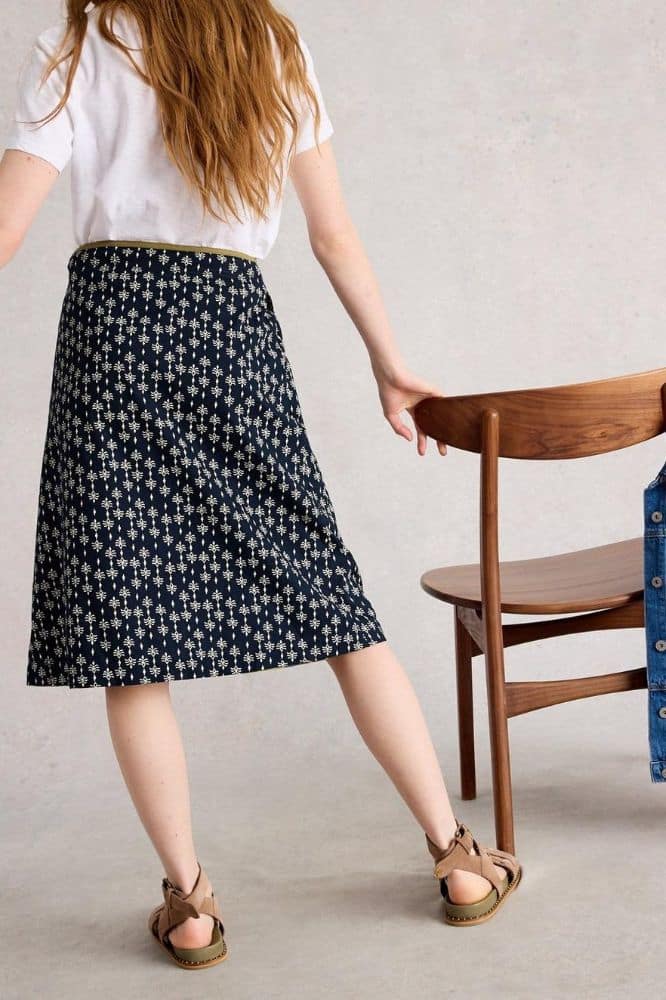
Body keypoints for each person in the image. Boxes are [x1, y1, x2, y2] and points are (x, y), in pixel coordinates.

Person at [1, 0, 522, 969]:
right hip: (231, 330)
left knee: (131, 631)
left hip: (113, 338)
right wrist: (390, 364)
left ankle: (191, 907)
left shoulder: (78, 43)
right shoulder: (272, 45)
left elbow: (5, 227)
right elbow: (333, 235)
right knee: (332, 599)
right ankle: (458, 856)